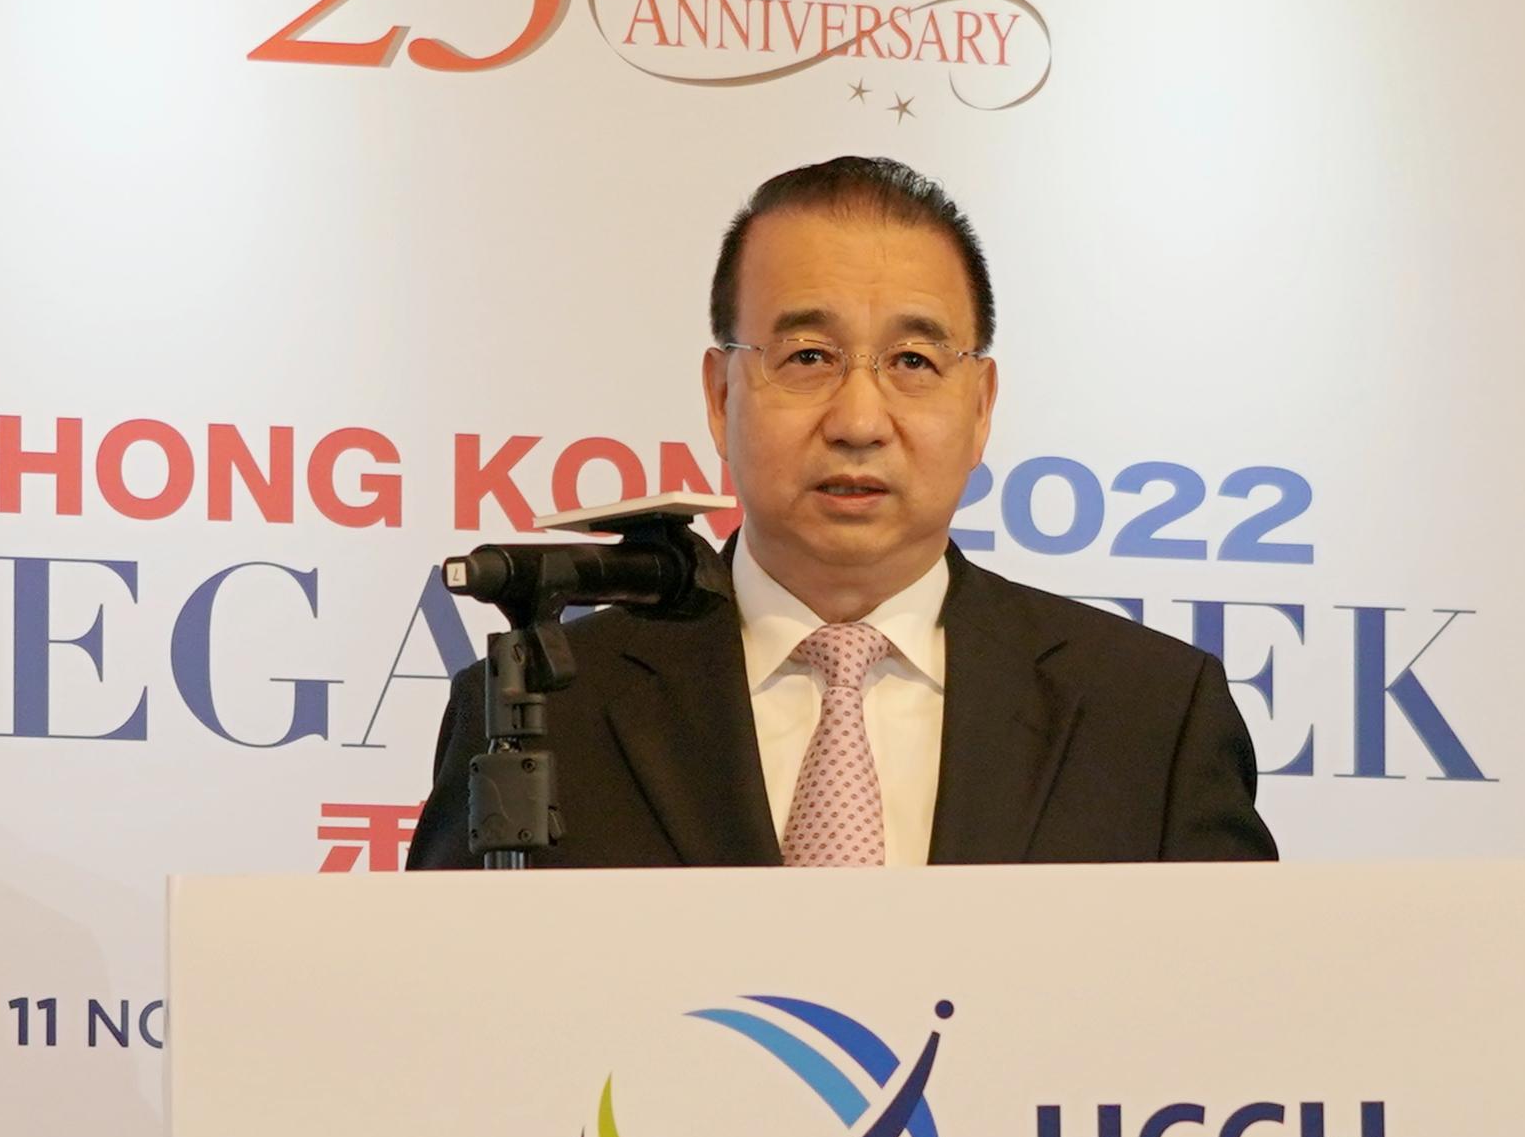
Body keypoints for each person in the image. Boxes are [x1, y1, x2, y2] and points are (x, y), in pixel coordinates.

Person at [407, 157, 1276, 869]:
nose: (859, 421)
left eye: (913, 361)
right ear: (721, 395)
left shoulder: (1150, 718)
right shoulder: (538, 712)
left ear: (981, 406)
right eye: (809, 357)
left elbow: (1234, 1015)